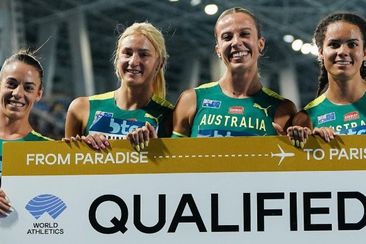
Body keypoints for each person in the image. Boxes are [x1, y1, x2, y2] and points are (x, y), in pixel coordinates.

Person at [65, 22, 173, 151]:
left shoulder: (171, 116)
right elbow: (67, 166)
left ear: (159, 63)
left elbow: (181, 168)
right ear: (117, 59)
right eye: (127, 53)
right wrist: (83, 147)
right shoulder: (81, 108)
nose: (133, 62)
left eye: (144, 55)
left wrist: (155, 150)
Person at [288, 13, 366, 147]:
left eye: (352, 44)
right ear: (320, 52)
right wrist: (315, 145)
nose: (343, 51)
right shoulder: (305, 118)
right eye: (334, 45)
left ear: (364, 52)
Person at [0, 51, 51, 217]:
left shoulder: (49, 151)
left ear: (38, 94)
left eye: (28, 88)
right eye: (11, 84)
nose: (18, 93)